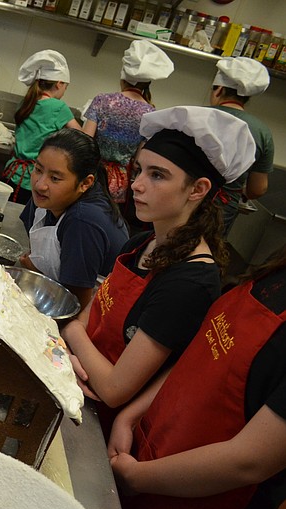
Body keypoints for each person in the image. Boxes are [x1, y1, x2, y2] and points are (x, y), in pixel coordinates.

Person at [60, 106, 256, 433]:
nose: (136, 184)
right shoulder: (140, 242)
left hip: (98, 424)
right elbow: (88, 316)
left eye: (157, 175)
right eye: (139, 170)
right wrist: (76, 340)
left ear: (198, 190)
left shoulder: (190, 281)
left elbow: (112, 388)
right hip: (75, 387)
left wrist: (70, 334)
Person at [108, 243, 286, 509]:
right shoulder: (273, 275)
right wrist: (130, 417)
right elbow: (198, 355)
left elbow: (248, 461)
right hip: (144, 462)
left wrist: (137, 478)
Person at [19, 129, 129, 310]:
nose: (40, 184)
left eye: (55, 178)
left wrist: (35, 273)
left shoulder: (83, 221)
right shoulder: (46, 196)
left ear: (85, 183)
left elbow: (75, 306)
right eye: (38, 169)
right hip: (55, 293)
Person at [83, 39, 174, 207]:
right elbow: (141, 157)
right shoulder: (150, 113)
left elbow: (84, 141)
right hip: (120, 180)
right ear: (148, 82)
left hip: (91, 173)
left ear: (123, 75)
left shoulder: (102, 100)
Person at [2, 49, 81, 205]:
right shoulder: (58, 107)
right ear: (59, 83)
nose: (64, 92)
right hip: (35, 180)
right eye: (66, 87)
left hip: (11, 173)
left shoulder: (25, 102)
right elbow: (81, 136)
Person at [209, 56, 275, 236]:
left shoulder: (193, 116)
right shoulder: (262, 132)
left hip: (180, 202)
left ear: (219, 89)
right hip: (221, 212)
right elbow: (258, 189)